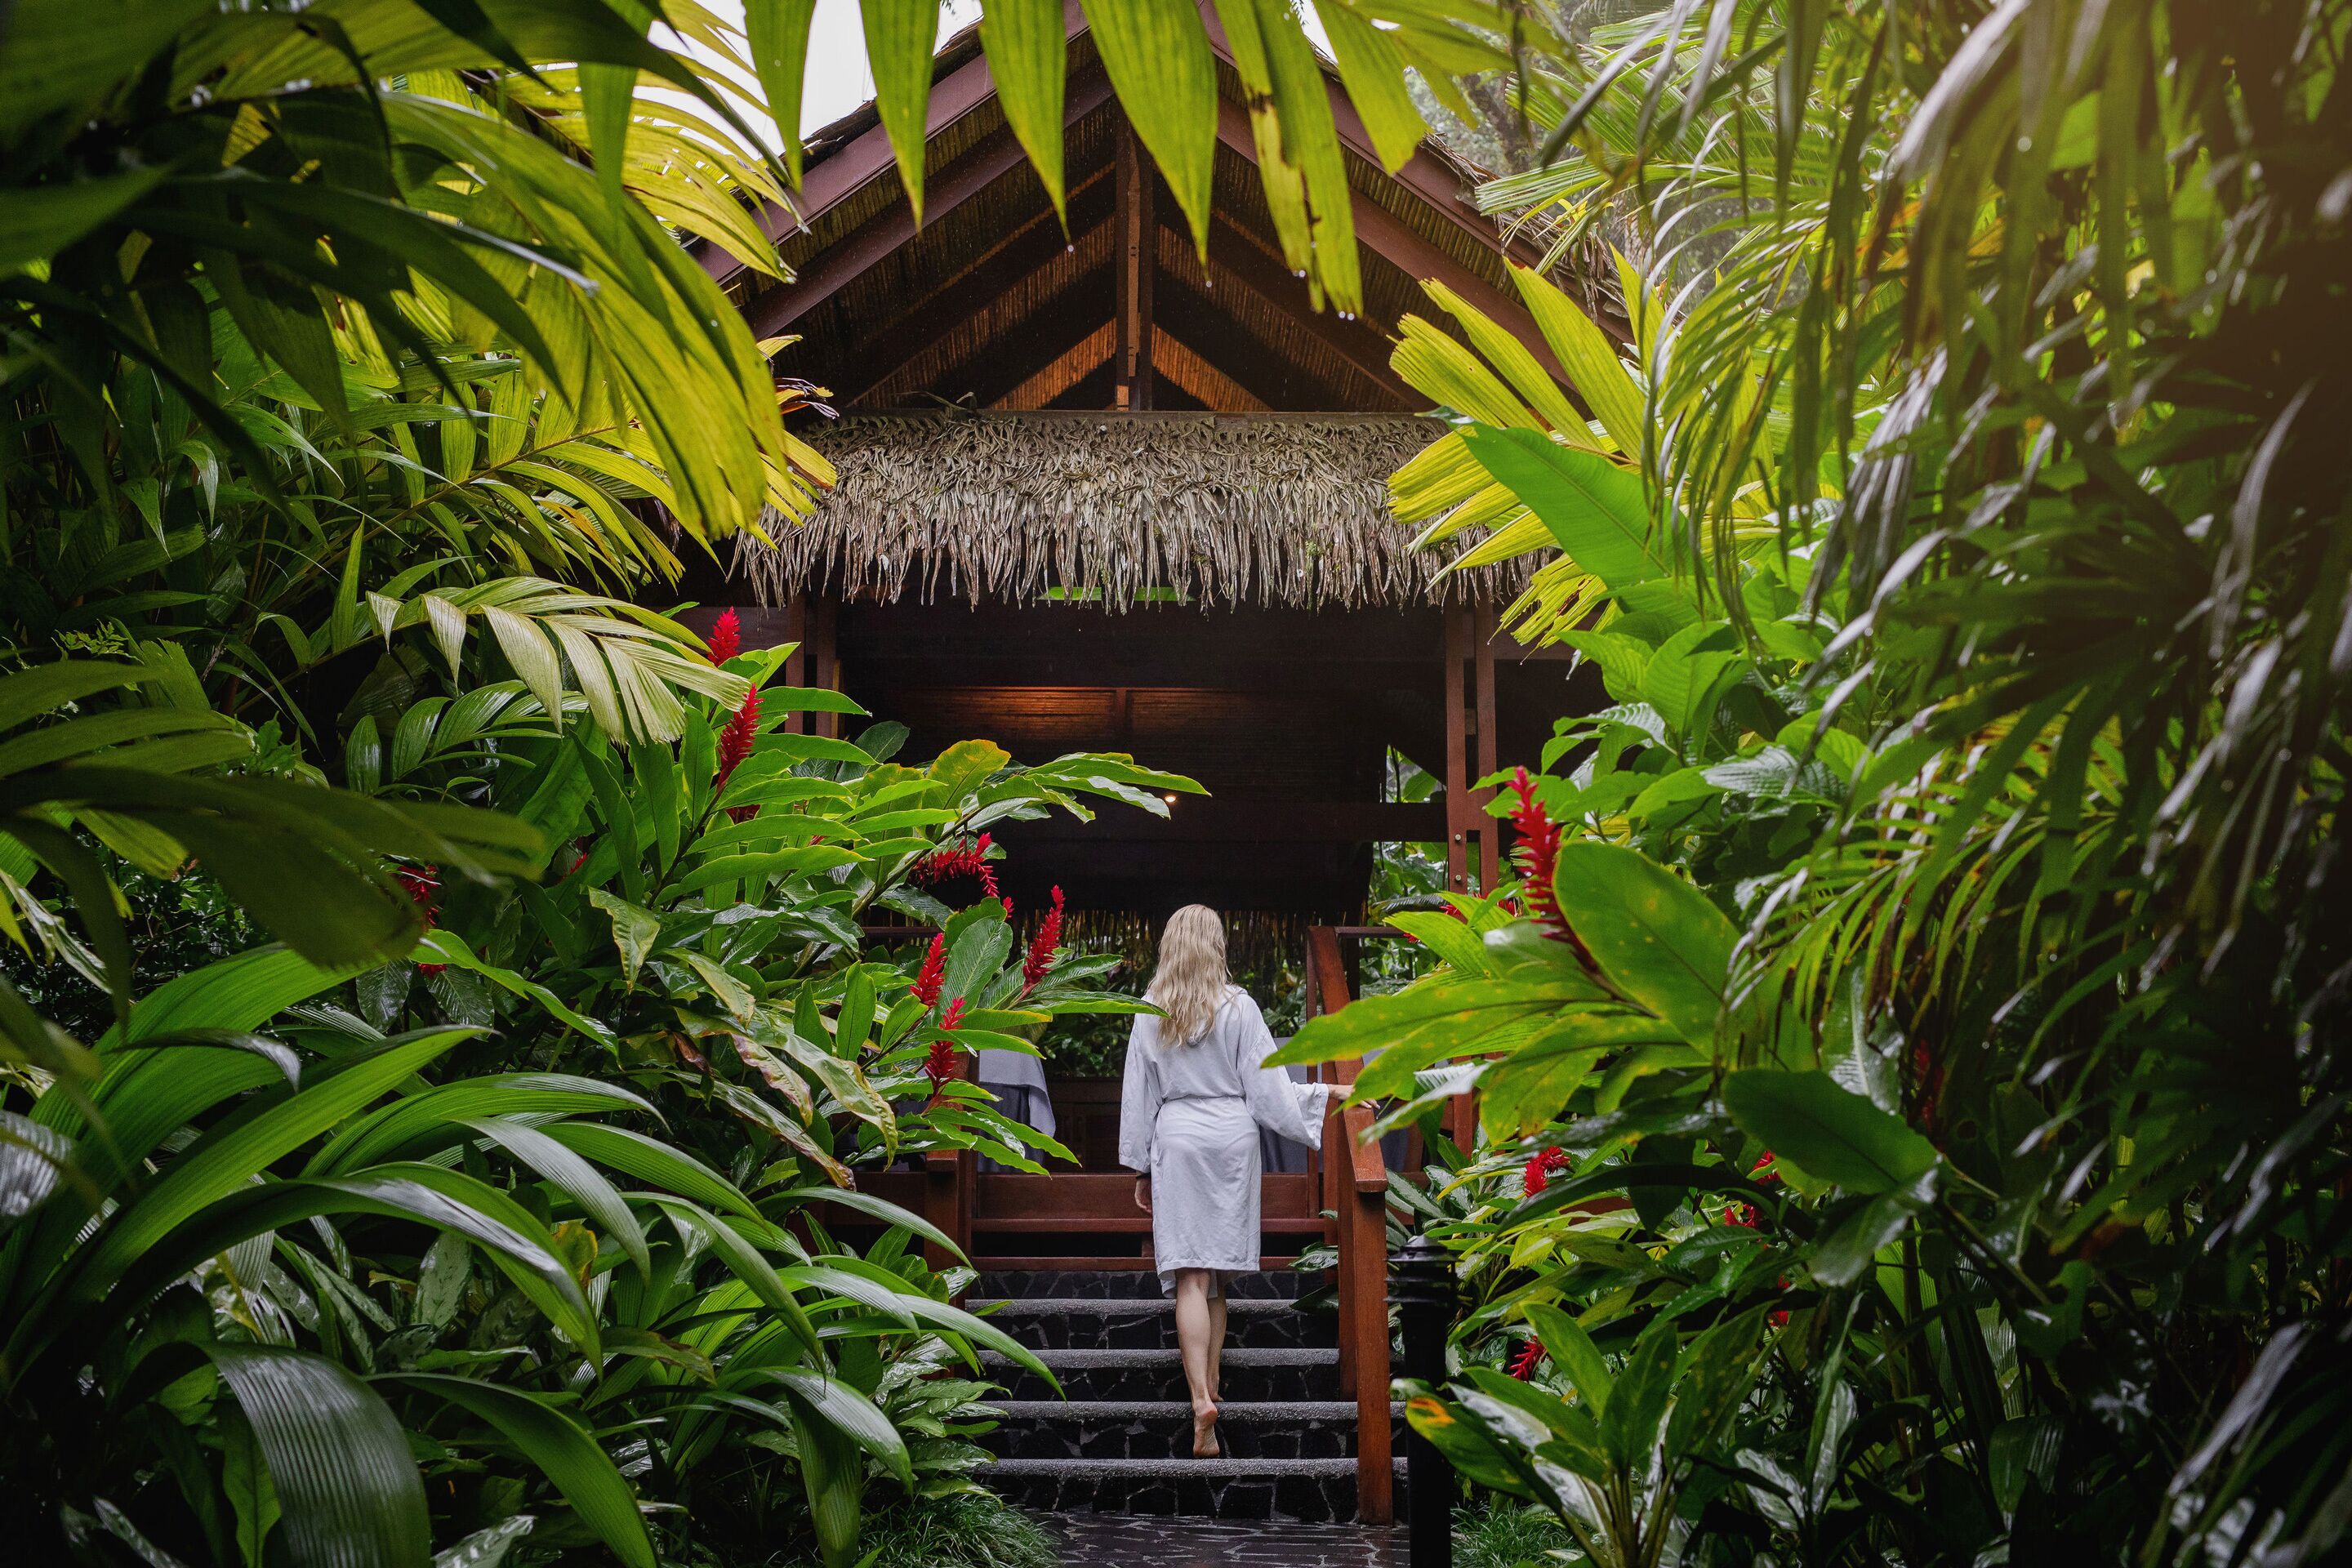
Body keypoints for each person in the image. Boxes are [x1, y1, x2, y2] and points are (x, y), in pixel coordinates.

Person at [1117, 905, 1334, 1459]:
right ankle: (1211, 1392)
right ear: (1215, 944)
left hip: (1181, 1138)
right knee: (1218, 1279)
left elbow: (1139, 1092)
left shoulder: (1149, 1011)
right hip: (1232, 1139)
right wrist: (1325, 1096)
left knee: (1191, 1276)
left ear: (1170, 946)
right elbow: (1268, 1089)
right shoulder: (1239, 1006)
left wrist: (1141, 1163)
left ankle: (1199, 1402)